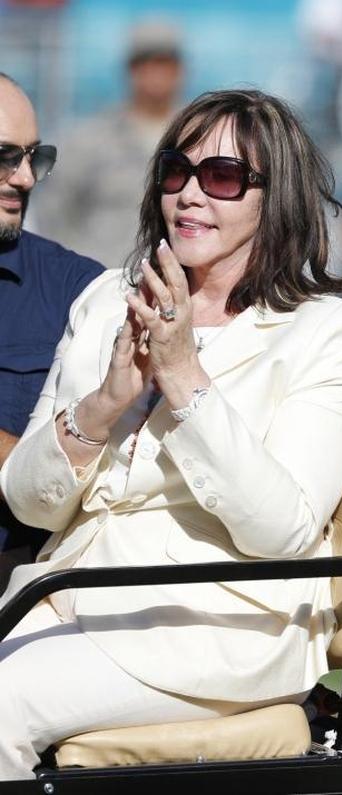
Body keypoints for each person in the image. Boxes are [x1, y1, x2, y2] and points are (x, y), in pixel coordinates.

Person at [0, 88, 342, 779]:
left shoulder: (327, 330)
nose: (192, 194)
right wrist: (103, 404)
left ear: (276, 196)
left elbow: (283, 528)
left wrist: (182, 375)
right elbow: (29, 501)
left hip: (215, 628)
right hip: (62, 597)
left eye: (224, 177)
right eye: (177, 170)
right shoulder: (107, 299)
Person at [0, 74, 103, 590]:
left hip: (19, 585)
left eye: (35, 157)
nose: (25, 178)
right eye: (4, 157)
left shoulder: (78, 289)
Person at [33, 19, 185, 268]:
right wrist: (77, 273)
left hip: (180, 288)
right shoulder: (89, 139)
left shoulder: (198, 138)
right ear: (130, 69)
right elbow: (53, 214)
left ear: (179, 69)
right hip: (104, 283)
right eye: (146, 62)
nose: (156, 73)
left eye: (165, 62)